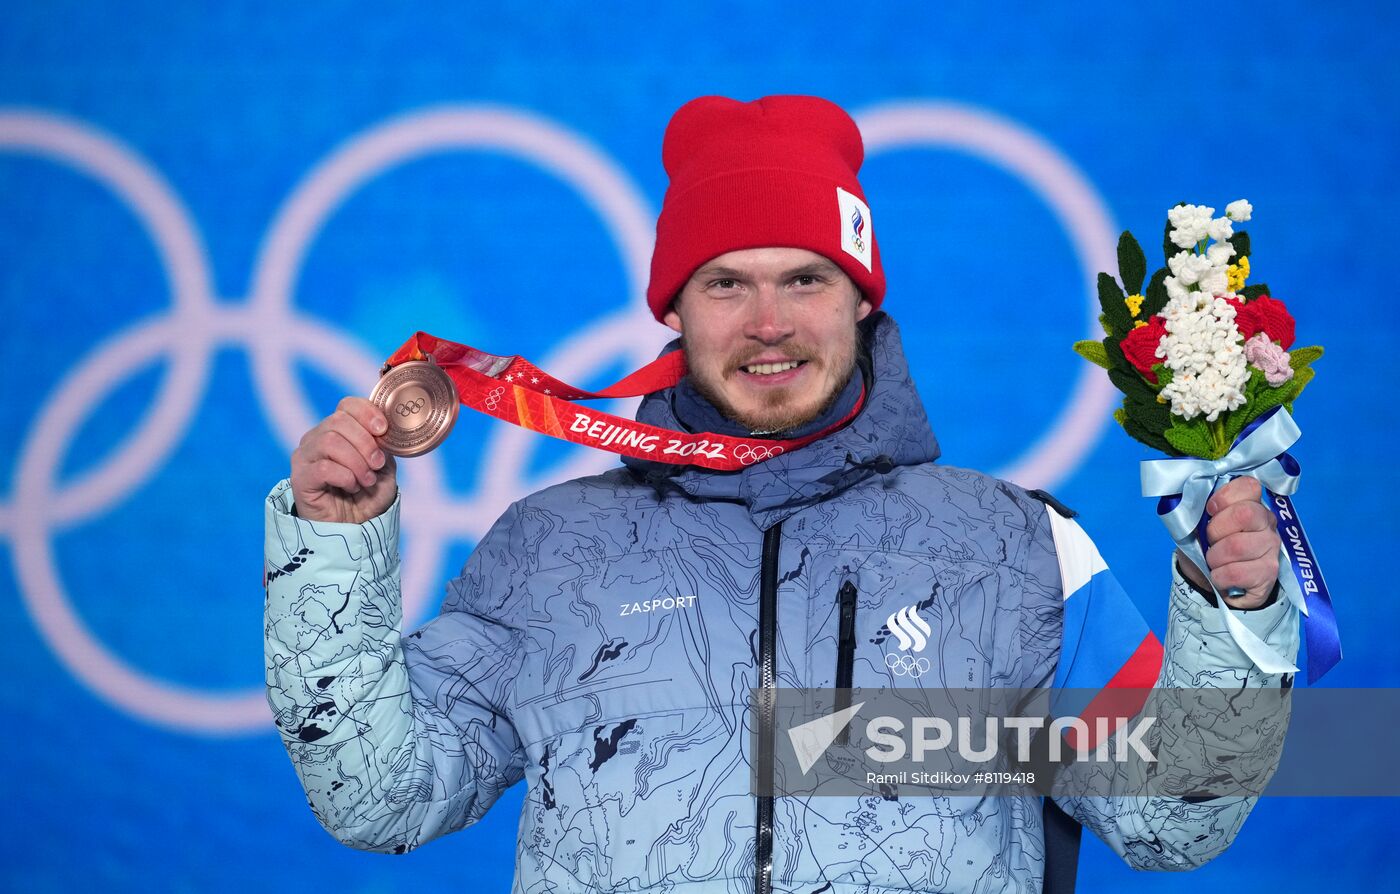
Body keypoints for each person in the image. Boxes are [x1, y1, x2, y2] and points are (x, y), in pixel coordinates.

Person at [264, 95, 1298, 893]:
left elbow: (1171, 820)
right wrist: (334, 549)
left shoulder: (1012, 548)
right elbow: (379, 798)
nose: (767, 322)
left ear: (858, 294)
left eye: (802, 277)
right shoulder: (548, 551)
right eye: (725, 283)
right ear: (677, 311)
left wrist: (1239, 623)